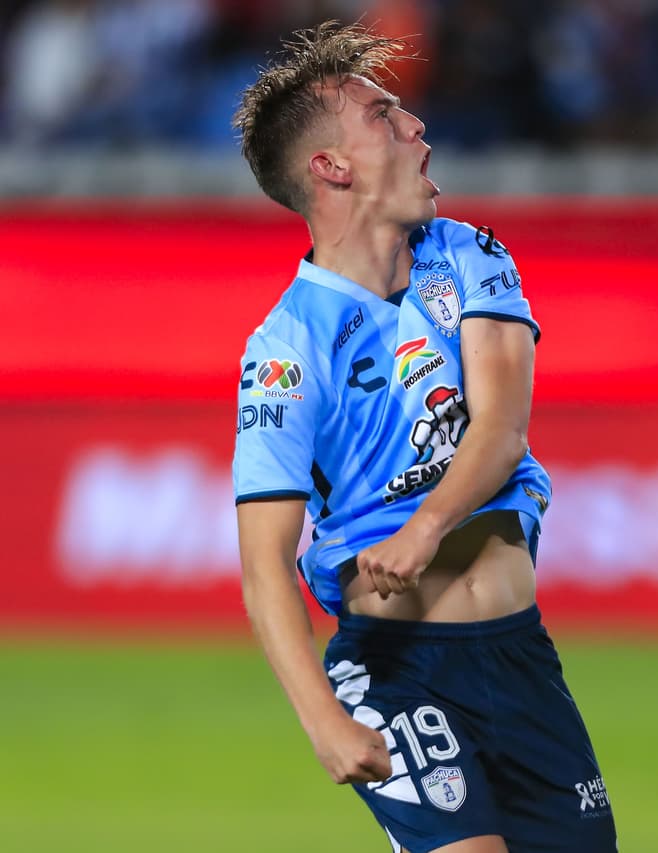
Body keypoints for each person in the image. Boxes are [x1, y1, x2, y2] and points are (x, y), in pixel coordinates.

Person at [230, 22, 616, 853]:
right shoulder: (286, 351)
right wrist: (322, 720)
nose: (418, 130)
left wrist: (425, 527)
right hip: (395, 668)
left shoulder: (468, 255)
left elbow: (502, 430)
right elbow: (264, 564)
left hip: (520, 657)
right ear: (330, 167)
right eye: (385, 117)